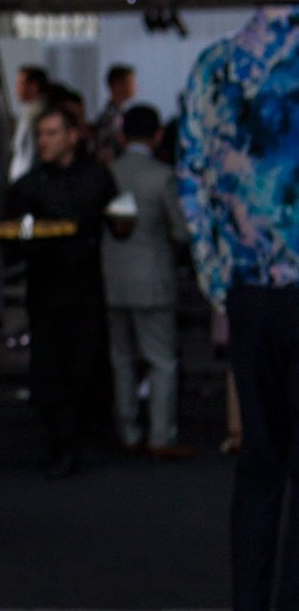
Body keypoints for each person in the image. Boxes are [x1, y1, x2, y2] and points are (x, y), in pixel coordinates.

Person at [178, 0, 299, 611]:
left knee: (259, 464)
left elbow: (193, 184)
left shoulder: (217, 66)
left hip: (251, 292)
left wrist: (222, 281)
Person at [1, 98, 112, 477]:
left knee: (83, 364)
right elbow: (11, 238)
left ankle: (76, 434)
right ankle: (61, 440)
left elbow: (116, 220)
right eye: (40, 135)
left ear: (72, 136)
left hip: (85, 288)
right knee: (51, 367)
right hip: (47, 289)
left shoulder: (96, 178)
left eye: (51, 134)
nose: (44, 141)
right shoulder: (28, 186)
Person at [103, 102, 190, 461]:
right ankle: (160, 434)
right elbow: (181, 231)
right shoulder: (163, 176)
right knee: (161, 361)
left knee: (121, 358)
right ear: (157, 136)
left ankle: (128, 430)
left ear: (122, 135)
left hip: (112, 275)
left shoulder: (108, 172)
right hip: (152, 276)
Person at [90, 63, 137, 166]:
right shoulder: (111, 116)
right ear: (117, 85)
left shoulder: (119, 112)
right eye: (130, 82)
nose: (134, 86)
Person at [9, 63, 49, 179]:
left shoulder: (37, 113)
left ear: (34, 86)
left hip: (27, 177)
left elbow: (30, 153)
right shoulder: (29, 110)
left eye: (20, 83)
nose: (16, 88)